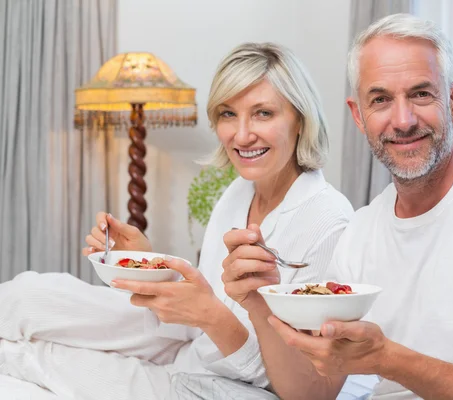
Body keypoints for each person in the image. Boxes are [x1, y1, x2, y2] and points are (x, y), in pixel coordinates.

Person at [222, 13, 453, 400]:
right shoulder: (361, 233)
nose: (403, 120)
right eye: (380, 100)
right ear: (358, 116)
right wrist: (260, 303)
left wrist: (388, 360)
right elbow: (313, 392)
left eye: (421, 94)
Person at [0, 42, 353, 400]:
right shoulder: (239, 192)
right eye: (228, 114)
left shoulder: (329, 224)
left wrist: (213, 318)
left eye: (263, 113)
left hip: (227, 384)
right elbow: (210, 298)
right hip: (192, 347)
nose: (242, 135)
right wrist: (151, 265)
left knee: (29, 358)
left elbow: (296, 387)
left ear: (300, 119)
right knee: (26, 294)